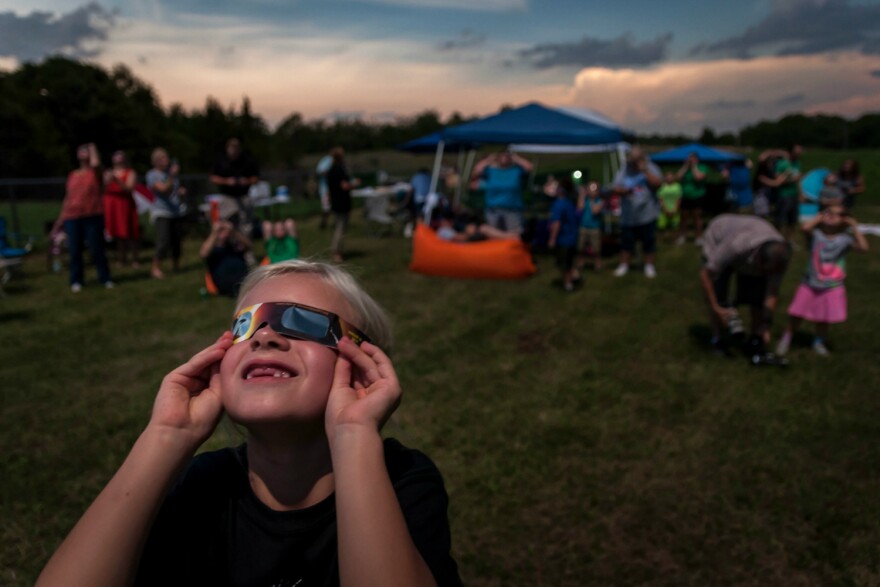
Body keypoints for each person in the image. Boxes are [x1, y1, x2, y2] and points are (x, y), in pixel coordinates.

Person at [36, 260, 462, 587]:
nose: (264, 336)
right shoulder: (203, 486)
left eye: (302, 321)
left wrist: (353, 433)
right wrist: (167, 435)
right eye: (245, 325)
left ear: (362, 365)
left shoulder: (403, 480)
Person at [775, 205, 869, 357]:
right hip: (810, 283)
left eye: (837, 214)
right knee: (797, 313)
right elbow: (805, 228)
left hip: (832, 285)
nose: (831, 216)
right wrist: (818, 217)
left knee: (824, 317)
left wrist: (854, 226)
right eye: (828, 213)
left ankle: (818, 342)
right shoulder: (816, 235)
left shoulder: (845, 239)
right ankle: (786, 338)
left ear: (844, 219)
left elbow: (864, 248)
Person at [699, 214, 792, 360]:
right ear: (758, 260)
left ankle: (755, 338)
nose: (768, 275)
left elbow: (771, 292)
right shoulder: (737, 245)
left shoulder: (780, 256)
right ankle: (717, 339)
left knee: (756, 296)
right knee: (719, 292)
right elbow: (705, 275)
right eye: (765, 272)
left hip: (751, 244)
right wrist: (717, 308)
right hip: (720, 236)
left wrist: (765, 325)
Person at [55, 142, 113, 292]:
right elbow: (68, 197)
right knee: (75, 250)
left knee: (97, 249)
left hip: (92, 215)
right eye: (81, 150)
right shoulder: (72, 175)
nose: (84, 152)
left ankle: (105, 278)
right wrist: (60, 220)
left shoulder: (95, 173)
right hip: (72, 216)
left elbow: (95, 164)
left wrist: (93, 147)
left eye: (86, 150)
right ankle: (76, 280)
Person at [611, 147, 662, 278]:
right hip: (628, 216)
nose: (632, 163)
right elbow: (615, 187)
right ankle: (624, 265)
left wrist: (644, 171)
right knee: (626, 242)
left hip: (647, 213)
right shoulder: (624, 169)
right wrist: (623, 191)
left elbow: (658, 184)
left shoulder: (651, 168)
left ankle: (649, 266)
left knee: (648, 242)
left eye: (635, 161)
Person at [145, 148, 187, 279]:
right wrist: (172, 176)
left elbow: (174, 189)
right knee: (163, 240)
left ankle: (176, 266)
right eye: (163, 158)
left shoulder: (170, 175)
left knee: (176, 241)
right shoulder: (152, 175)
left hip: (176, 211)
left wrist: (180, 191)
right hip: (161, 211)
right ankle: (155, 268)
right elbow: (163, 189)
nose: (167, 160)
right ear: (156, 160)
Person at [471, 150, 533, 234]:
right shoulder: (491, 171)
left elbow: (529, 167)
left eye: (507, 156)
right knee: (492, 234)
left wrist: (516, 158)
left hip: (512, 210)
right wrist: (489, 159)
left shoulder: (516, 171)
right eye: (502, 156)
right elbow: (478, 169)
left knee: (514, 233)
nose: (504, 158)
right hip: (493, 210)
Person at [209, 138, 260, 230]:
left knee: (245, 224)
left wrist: (246, 181)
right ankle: (227, 242)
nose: (234, 151)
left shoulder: (247, 160)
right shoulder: (221, 160)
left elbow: (256, 178)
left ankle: (245, 243)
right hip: (227, 197)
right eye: (231, 148)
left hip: (243, 196)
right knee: (224, 222)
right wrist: (226, 181)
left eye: (236, 148)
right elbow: (213, 178)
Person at [102, 150, 140, 267]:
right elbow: (101, 189)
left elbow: (129, 188)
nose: (118, 158)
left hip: (125, 204)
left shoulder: (130, 172)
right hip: (112, 206)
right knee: (118, 234)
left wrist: (116, 179)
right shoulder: (107, 173)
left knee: (130, 232)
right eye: (116, 155)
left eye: (120, 155)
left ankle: (135, 259)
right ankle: (121, 259)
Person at [199, 219, 251, 297]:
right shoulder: (213, 250)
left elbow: (249, 246)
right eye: (222, 231)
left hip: (244, 281)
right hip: (227, 285)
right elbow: (203, 254)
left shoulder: (233, 246)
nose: (224, 233)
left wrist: (234, 231)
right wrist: (214, 233)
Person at [546, 175, 581, 292]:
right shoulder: (569, 202)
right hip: (572, 237)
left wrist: (552, 239)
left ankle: (568, 284)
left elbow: (556, 223)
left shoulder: (558, 204)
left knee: (564, 264)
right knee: (568, 262)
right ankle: (574, 277)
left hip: (563, 239)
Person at [325, 147, 359, 263]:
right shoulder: (340, 170)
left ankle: (337, 250)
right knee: (341, 228)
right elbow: (344, 186)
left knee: (338, 226)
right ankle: (337, 252)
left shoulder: (330, 171)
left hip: (335, 202)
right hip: (342, 202)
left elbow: (329, 189)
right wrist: (354, 184)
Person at [675, 152, 709, 245]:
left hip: (697, 196)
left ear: (696, 159)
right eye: (689, 158)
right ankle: (682, 236)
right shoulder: (686, 169)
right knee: (683, 218)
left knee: (697, 217)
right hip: (685, 196)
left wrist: (694, 166)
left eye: (692, 159)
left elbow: (698, 177)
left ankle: (698, 237)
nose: (690, 160)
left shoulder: (702, 167)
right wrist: (685, 166)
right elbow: (677, 177)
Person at [774, 144, 803, 241]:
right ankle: (777, 239)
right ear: (791, 152)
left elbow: (798, 179)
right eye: (797, 152)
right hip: (784, 195)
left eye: (800, 152)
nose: (799, 154)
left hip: (794, 194)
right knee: (780, 220)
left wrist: (800, 193)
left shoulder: (797, 163)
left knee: (793, 220)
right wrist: (790, 179)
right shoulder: (782, 164)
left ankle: (789, 240)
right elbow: (777, 180)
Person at [576, 181, 605, 271]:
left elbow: (595, 211)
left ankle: (598, 263)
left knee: (596, 248)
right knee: (581, 246)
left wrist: (592, 200)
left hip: (594, 228)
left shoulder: (600, 201)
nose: (592, 192)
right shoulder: (584, 199)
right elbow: (579, 208)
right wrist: (582, 195)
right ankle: (581, 262)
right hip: (583, 226)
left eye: (594, 189)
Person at [316, 151, 334, 229]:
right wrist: (330, 173)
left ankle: (336, 223)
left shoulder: (337, 161)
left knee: (334, 207)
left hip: (334, 188)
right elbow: (319, 172)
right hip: (325, 189)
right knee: (326, 208)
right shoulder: (326, 160)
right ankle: (323, 223)